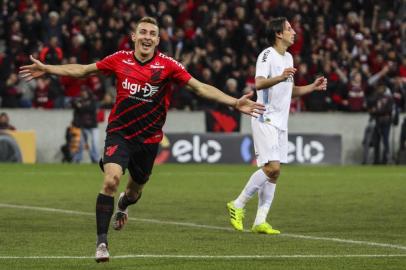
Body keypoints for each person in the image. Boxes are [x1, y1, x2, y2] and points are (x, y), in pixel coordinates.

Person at [19, 16, 265, 263]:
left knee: (133, 192)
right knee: (111, 180)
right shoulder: (119, 59)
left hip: (148, 140)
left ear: (158, 40)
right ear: (134, 37)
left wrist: (234, 102)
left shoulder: (168, 65)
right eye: (143, 32)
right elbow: (83, 70)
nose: (147, 37)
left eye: (152, 34)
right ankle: (102, 242)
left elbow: (199, 87)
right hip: (119, 133)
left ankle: (123, 206)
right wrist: (47, 68)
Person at [226, 17, 327, 235]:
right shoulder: (267, 55)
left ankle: (260, 221)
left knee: (274, 173)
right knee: (273, 167)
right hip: (265, 117)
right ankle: (238, 204)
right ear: (278, 34)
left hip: (281, 122)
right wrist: (280, 77)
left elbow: (290, 90)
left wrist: (312, 87)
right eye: (289, 29)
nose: (294, 31)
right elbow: (259, 83)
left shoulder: (289, 57)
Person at [71, 87, 100, 163]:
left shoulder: (93, 100)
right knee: (80, 143)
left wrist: (81, 106)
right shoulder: (79, 100)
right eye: (82, 92)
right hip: (83, 125)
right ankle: (77, 158)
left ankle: (95, 159)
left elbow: (91, 109)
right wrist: (80, 106)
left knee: (94, 142)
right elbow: (72, 102)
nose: (83, 93)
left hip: (93, 125)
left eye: (85, 92)